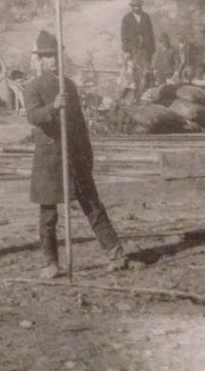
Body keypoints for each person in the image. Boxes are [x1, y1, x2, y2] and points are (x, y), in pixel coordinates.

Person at [24, 30, 129, 279]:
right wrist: (54, 107)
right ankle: (51, 263)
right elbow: (33, 116)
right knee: (48, 214)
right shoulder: (33, 87)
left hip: (73, 155)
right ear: (40, 59)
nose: (52, 60)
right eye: (47, 56)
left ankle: (116, 253)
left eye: (55, 55)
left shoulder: (68, 84)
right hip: (48, 157)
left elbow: (79, 123)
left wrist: (86, 155)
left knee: (92, 205)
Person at [120, 0, 155, 102]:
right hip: (133, 50)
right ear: (131, 7)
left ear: (141, 6)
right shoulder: (127, 18)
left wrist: (152, 49)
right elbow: (123, 35)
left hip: (146, 50)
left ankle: (146, 96)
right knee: (133, 74)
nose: (136, 8)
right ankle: (135, 96)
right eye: (134, 6)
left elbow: (150, 33)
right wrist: (126, 50)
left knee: (147, 73)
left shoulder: (146, 17)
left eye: (138, 6)